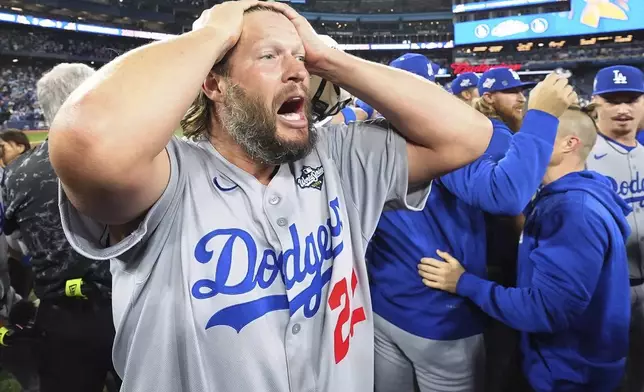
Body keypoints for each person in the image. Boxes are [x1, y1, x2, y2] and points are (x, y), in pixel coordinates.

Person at [48, 2, 493, 392]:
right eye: (269, 55)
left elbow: (467, 137)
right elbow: (88, 139)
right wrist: (213, 33)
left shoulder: (337, 157)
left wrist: (330, 57)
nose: (299, 69)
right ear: (213, 83)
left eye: (301, 58)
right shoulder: (169, 176)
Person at [369, 73, 576, 392]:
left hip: (384, 304)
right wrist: (542, 117)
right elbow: (507, 196)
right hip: (439, 313)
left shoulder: (361, 138)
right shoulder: (440, 137)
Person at [419, 106, 631, 392]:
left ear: (570, 144)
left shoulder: (573, 211)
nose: (530, 138)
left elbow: (545, 310)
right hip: (572, 362)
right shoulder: (571, 195)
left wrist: (463, 283)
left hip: (570, 374)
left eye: (545, 132)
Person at [1, 63, 119, 392]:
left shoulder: (17, 172)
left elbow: (14, 240)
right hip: (128, 306)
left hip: (59, 314)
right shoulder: (127, 154)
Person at [585, 65, 644, 392]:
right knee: (610, 375)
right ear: (595, 104)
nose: (623, 109)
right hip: (606, 289)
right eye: (612, 100)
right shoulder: (581, 156)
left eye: (632, 99)